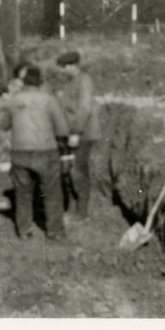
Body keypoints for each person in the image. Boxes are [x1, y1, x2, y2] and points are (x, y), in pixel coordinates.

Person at [0, 64, 70, 241]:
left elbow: (3, 125)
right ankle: (54, 231)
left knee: (22, 193)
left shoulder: (14, 99)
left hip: (20, 153)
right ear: (40, 82)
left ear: (23, 82)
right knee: (52, 192)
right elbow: (63, 130)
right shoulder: (48, 98)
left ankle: (24, 231)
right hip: (45, 151)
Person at [55, 50, 100, 220]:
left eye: (64, 66)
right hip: (70, 132)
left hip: (84, 133)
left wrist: (75, 132)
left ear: (73, 65)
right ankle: (71, 207)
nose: (61, 70)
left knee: (78, 170)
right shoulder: (69, 82)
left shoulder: (84, 81)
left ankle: (82, 211)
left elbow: (84, 109)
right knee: (66, 170)